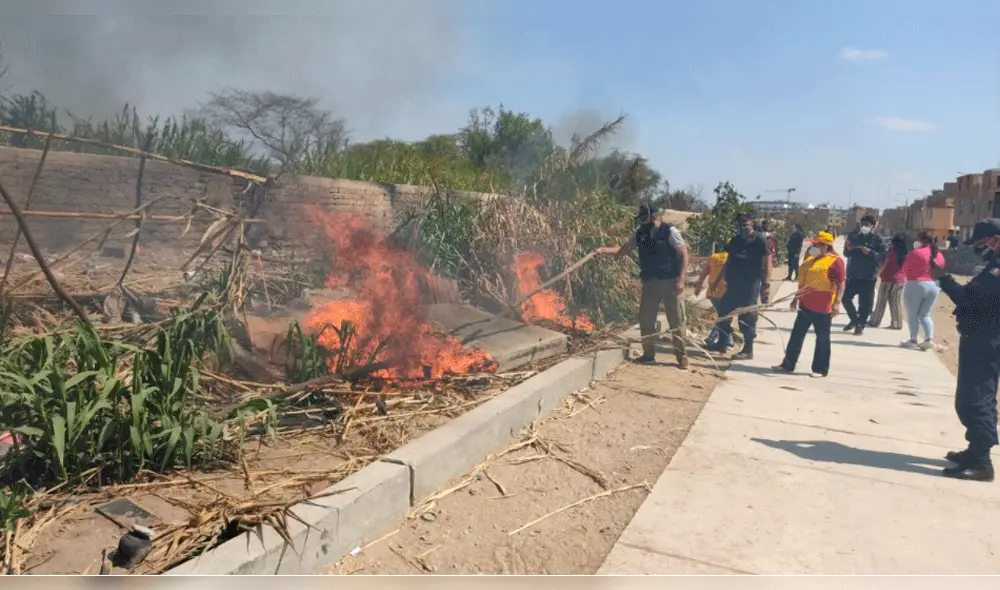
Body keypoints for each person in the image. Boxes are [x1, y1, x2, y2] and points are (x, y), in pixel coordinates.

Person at [931, 218, 1000, 481]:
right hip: (978, 338)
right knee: (971, 397)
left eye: (983, 242)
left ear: (995, 238)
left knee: (977, 399)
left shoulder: (997, 269)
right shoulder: (993, 264)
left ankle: (982, 462)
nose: (981, 248)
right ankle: (975, 450)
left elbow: (970, 298)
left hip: (987, 340)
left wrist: (944, 279)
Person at [597, 204, 689, 368]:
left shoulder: (670, 232)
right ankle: (648, 354)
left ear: (654, 216)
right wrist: (601, 250)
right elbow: (622, 251)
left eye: (644, 217)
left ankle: (682, 356)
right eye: (640, 218)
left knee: (676, 320)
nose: (641, 221)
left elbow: (683, 253)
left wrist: (681, 279)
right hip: (650, 282)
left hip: (671, 282)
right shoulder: (639, 234)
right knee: (646, 320)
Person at [771, 232, 844, 378]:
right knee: (796, 335)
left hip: (823, 305)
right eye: (813, 244)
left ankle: (820, 369)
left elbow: (840, 283)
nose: (813, 247)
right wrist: (795, 299)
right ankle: (788, 363)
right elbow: (802, 283)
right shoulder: (810, 260)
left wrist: (837, 303)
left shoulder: (835, 261)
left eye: (817, 245)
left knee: (822, 338)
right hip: (806, 303)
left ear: (826, 246)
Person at [705, 213, 772, 360]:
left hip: (750, 285)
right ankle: (722, 342)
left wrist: (766, 284)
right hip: (733, 284)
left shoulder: (759, 240)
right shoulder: (735, 240)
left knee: (746, 316)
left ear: (752, 222)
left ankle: (748, 349)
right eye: (740, 222)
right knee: (724, 313)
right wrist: (717, 281)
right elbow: (728, 262)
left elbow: (768, 260)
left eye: (745, 222)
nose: (743, 225)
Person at [900, 230, 946, 350]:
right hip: (934, 285)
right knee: (925, 314)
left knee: (912, 314)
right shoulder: (939, 255)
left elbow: (905, 269)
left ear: (920, 240)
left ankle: (913, 340)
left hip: (916, 284)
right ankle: (928, 339)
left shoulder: (915, 253)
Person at [842, 215, 885, 335]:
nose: (865, 227)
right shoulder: (853, 236)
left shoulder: (878, 239)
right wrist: (848, 247)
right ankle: (854, 319)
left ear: (873, 226)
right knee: (845, 298)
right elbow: (846, 254)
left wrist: (870, 253)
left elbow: (882, 257)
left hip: (868, 276)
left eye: (868, 225)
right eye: (863, 224)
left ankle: (860, 325)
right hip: (853, 274)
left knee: (865, 304)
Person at [693, 249, 734, 350]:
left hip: (713, 292)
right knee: (725, 318)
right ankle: (723, 341)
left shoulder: (713, 257)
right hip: (727, 292)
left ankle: (725, 341)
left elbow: (704, 273)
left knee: (723, 317)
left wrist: (698, 285)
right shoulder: (734, 258)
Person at [868, 232, 908, 330]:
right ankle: (897, 323)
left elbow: (884, 265)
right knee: (896, 303)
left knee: (881, 301)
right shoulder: (906, 254)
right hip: (900, 280)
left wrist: (877, 275)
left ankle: (875, 321)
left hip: (887, 279)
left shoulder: (891, 252)